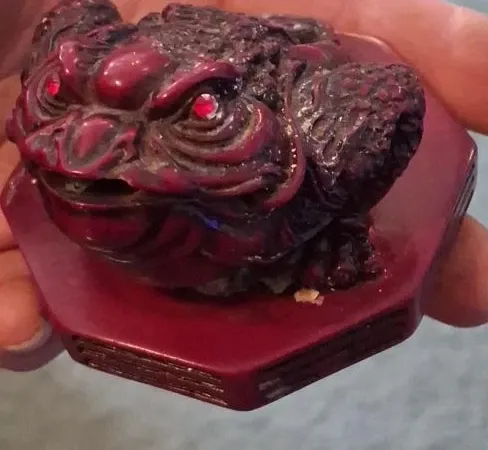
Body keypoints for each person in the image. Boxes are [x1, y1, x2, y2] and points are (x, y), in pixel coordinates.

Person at [0, 0, 487, 367]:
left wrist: (327, 221)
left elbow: (394, 94)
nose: (88, 144)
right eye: (58, 92)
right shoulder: (73, 125)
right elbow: (68, 25)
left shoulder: (299, 159)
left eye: (201, 112)